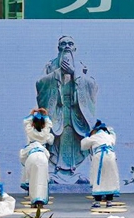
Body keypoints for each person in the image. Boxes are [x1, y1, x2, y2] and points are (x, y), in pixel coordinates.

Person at [36, 36, 98, 183]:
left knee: (75, 141)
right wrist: (58, 74)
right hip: (57, 111)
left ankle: (75, 173)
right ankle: (55, 174)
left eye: (70, 43)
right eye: (63, 44)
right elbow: (40, 84)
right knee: (57, 139)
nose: (67, 46)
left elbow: (93, 85)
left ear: (75, 48)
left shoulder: (81, 65)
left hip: (76, 112)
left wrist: (74, 73)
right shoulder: (50, 66)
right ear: (58, 48)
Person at [81, 120, 119, 208]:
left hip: (99, 157)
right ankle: (109, 200)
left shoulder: (95, 136)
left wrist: (87, 137)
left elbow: (83, 145)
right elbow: (113, 137)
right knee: (110, 177)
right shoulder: (109, 136)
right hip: (110, 156)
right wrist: (111, 131)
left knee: (98, 177)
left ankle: (97, 201)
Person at [20, 108, 54, 208]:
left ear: (32, 124)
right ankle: (40, 201)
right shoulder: (45, 133)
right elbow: (49, 125)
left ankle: (33, 199)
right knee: (42, 179)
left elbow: (26, 123)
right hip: (43, 156)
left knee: (32, 178)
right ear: (43, 125)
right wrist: (46, 115)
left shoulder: (30, 132)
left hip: (31, 155)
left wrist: (32, 113)